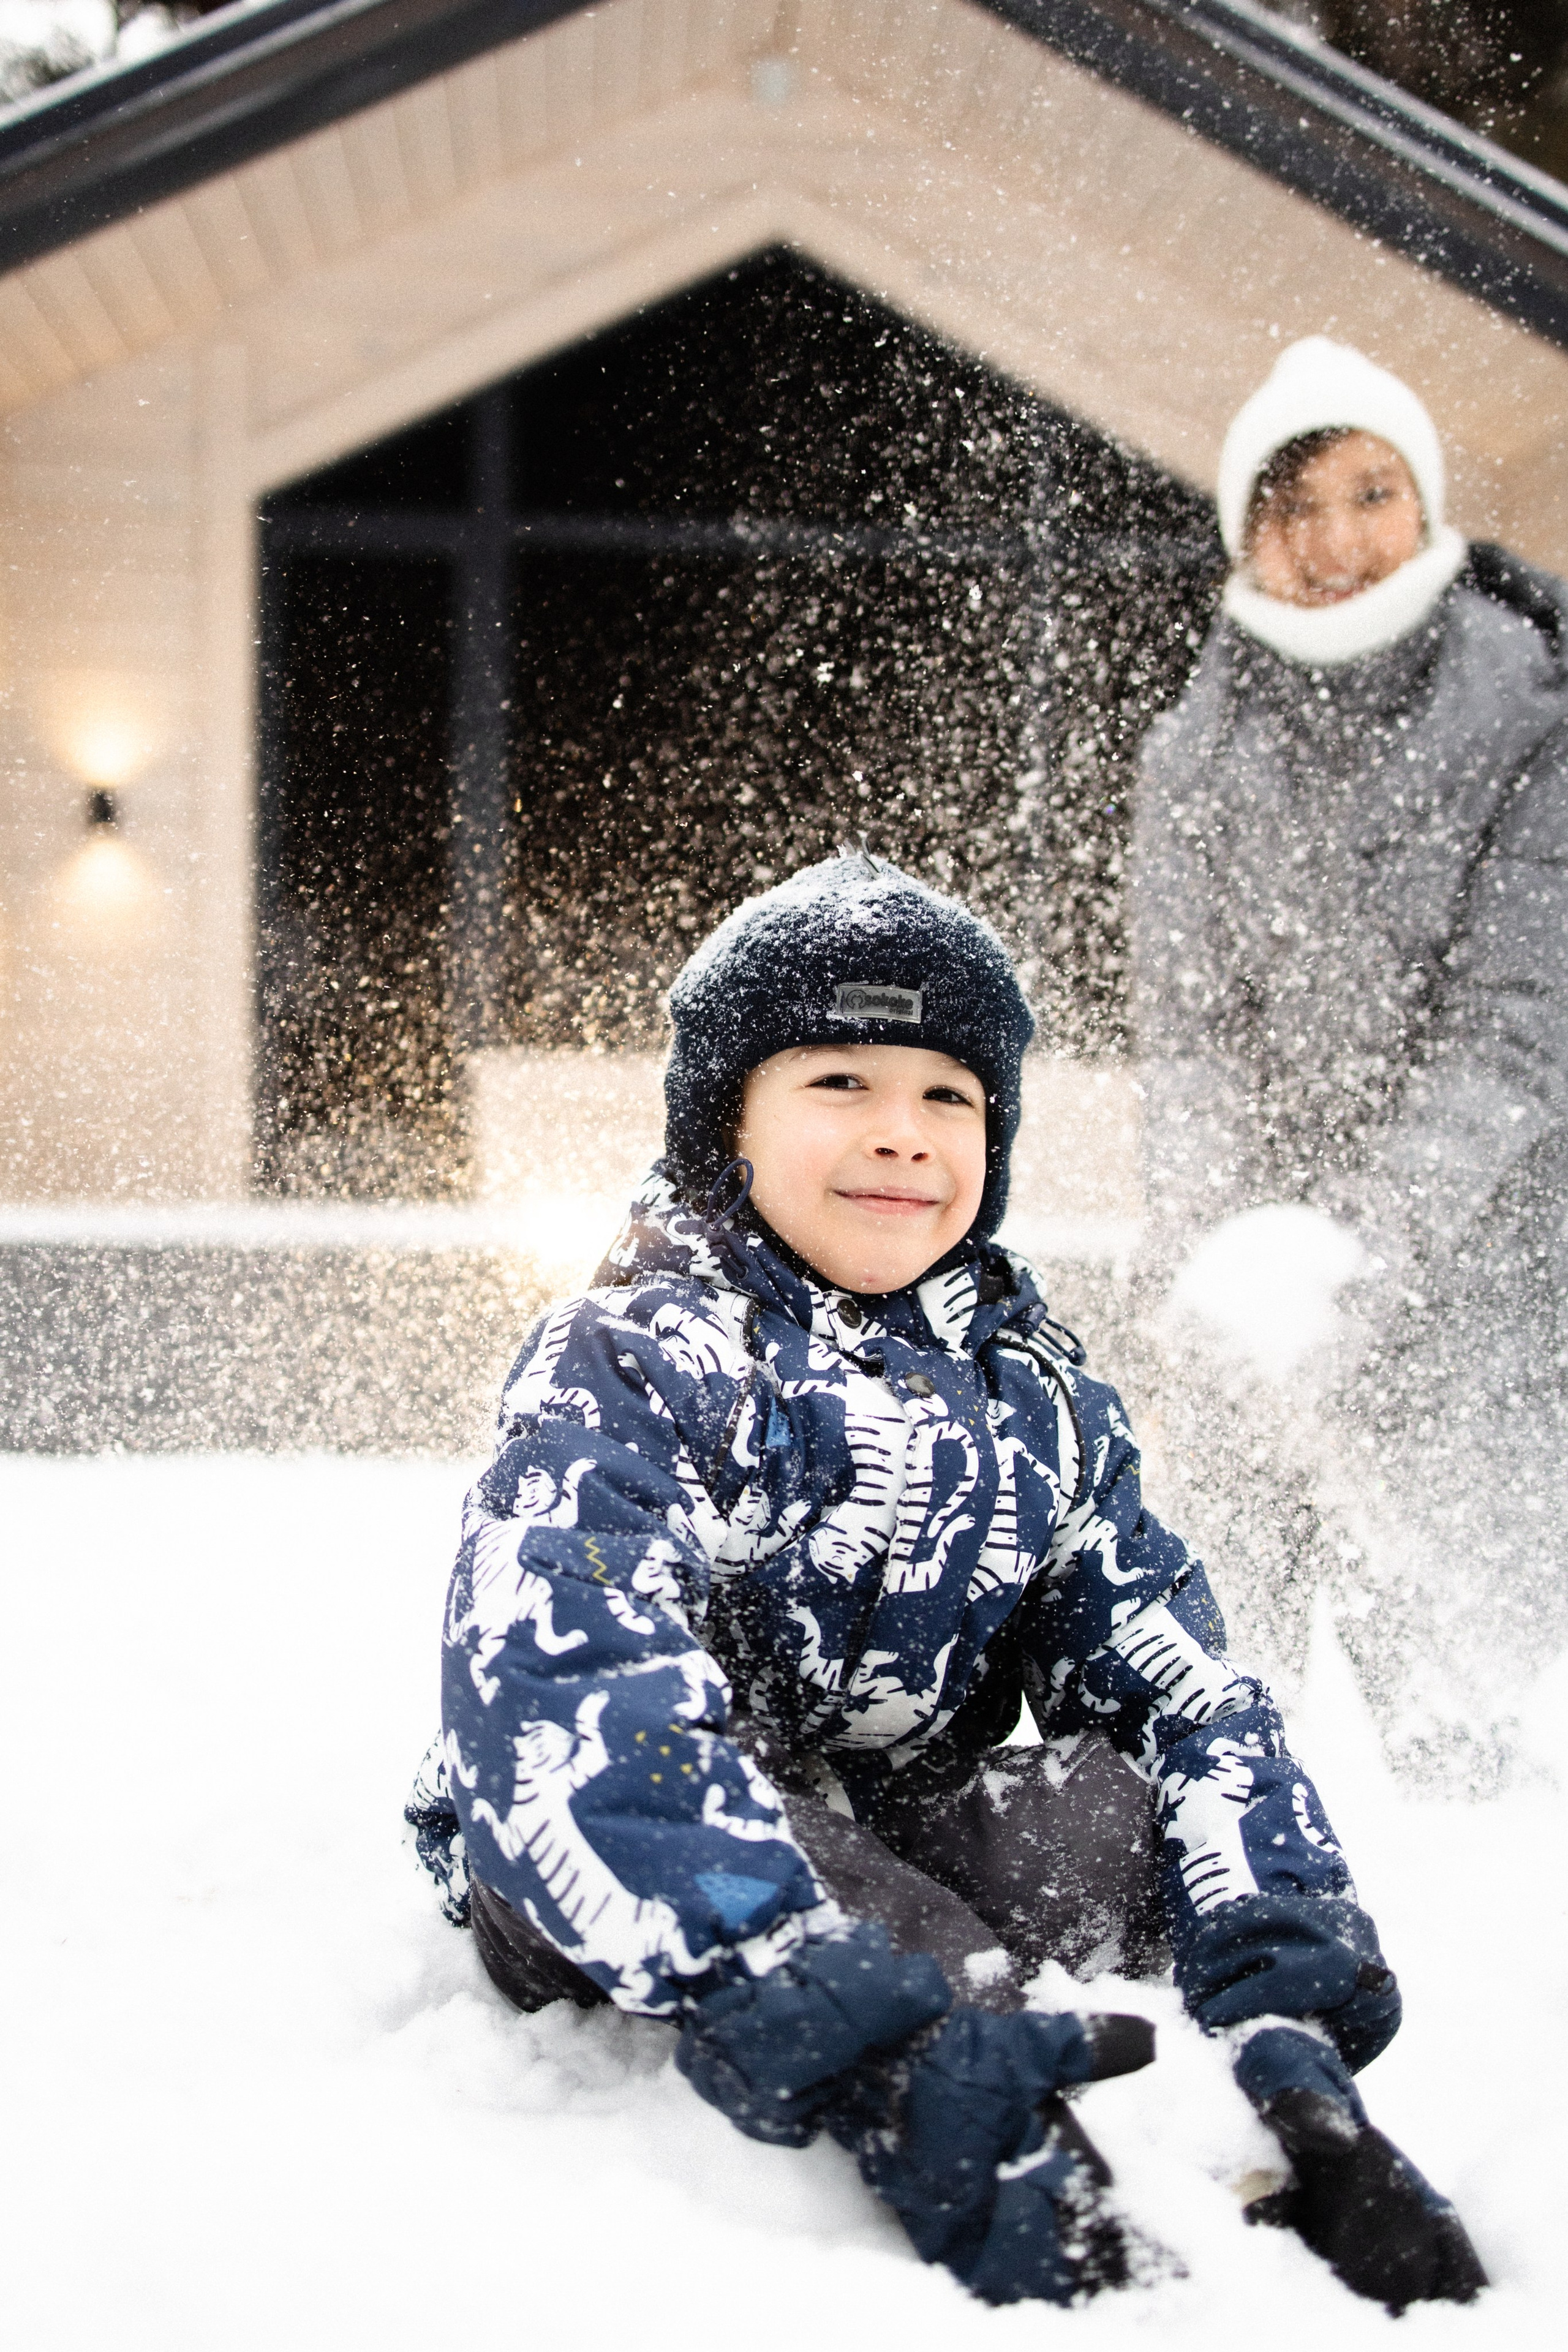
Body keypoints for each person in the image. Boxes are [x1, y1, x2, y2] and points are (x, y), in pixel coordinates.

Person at [407, 851, 1482, 2312]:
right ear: (725, 1122)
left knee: (1126, 1814)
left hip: (889, 1828)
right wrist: (849, 2008)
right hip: (599, 1852)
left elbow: (1181, 1694)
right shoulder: (634, 1358)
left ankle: (1246, 2122)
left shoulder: (1035, 1404)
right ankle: (933, 2061)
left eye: (947, 1096)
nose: (900, 1133)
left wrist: (1286, 2017)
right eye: (838, 1082)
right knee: (806, 1864)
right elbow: (567, 1680)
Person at [1133, 337, 1568, 1779]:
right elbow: (1190, 1045)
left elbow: (1516, 1033)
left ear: (1425, 506)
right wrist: (1211, 1254)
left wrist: (1353, 1258)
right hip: (1259, 1312)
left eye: (1369, 494)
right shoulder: (1192, 752)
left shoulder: (1533, 712)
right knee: (1224, 1726)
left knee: (1462, 1755)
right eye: (1290, 505)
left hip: (1482, 1283)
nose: (1329, 543)